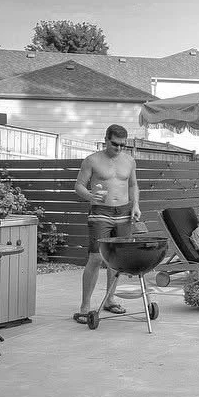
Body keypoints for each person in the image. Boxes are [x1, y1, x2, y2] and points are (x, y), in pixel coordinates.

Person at [71, 125, 142, 324]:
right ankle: (85, 306)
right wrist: (90, 195)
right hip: (101, 212)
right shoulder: (92, 160)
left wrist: (135, 205)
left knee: (117, 259)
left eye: (122, 145)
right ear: (106, 140)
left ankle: (110, 299)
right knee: (95, 257)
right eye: (114, 144)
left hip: (124, 212)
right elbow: (78, 186)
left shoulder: (129, 161)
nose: (118, 148)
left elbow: (133, 184)